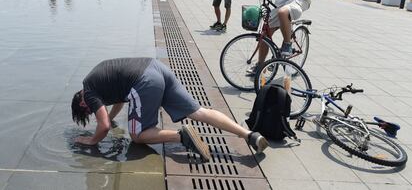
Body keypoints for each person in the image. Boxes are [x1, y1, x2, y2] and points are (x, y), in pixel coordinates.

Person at [71, 58, 268, 161]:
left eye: (88, 112)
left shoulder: (88, 90)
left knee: (137, 135)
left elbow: (103, 127)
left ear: (82, 103)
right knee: (198, 112)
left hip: (143, 82)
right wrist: (113, 119)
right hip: (156, 68)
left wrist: (91, 140)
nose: (93, 112)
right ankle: (250, 135)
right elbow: (119, 102)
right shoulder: (99, 80)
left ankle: (182, 136)